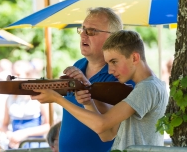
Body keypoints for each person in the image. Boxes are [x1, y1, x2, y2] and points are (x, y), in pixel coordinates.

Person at [31, 30, 168, 151]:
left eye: (114, 62)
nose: (110, 70)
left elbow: (101, 124)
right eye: (108, 63)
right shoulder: (145, 87)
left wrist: (57, 99)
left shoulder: (148, 87)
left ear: (134, 58)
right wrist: (89, 102)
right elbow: (106, 135)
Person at [36, 7, 135, 152]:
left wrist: (81, 92)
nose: (83, 35)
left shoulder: (122, 74)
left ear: (113, 37)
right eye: (82, 29)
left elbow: (110, 122)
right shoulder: (78, 65)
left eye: (91, 31)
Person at [0, 60, 50, 149]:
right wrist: (10, 135)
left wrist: (25, 133)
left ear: (28, 75)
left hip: (34, 144)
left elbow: (49, 125)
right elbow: (4, 124)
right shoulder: (10, 98)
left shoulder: (39, 96)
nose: (15, 78)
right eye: (13, 75)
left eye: (18, 75)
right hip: (15, 145)